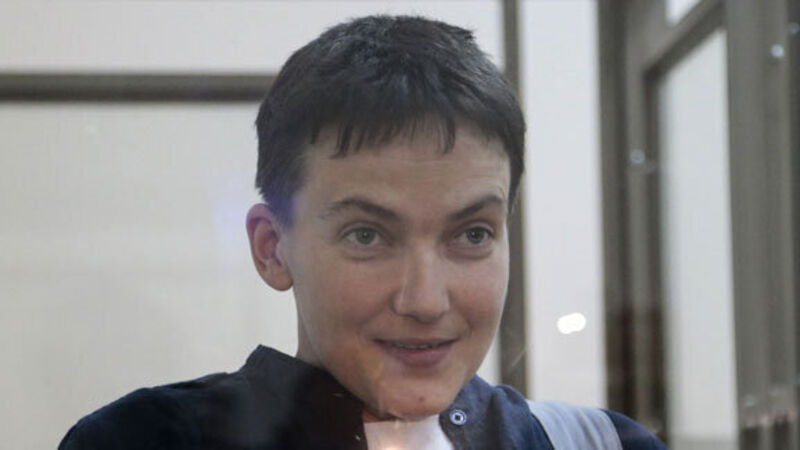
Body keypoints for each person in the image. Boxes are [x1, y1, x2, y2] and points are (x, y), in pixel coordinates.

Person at [59, 15, 666, 449]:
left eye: (473, 235)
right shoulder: (142, 440)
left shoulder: (603, 444)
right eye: (367, 236)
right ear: (272, 249)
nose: (425, 301)